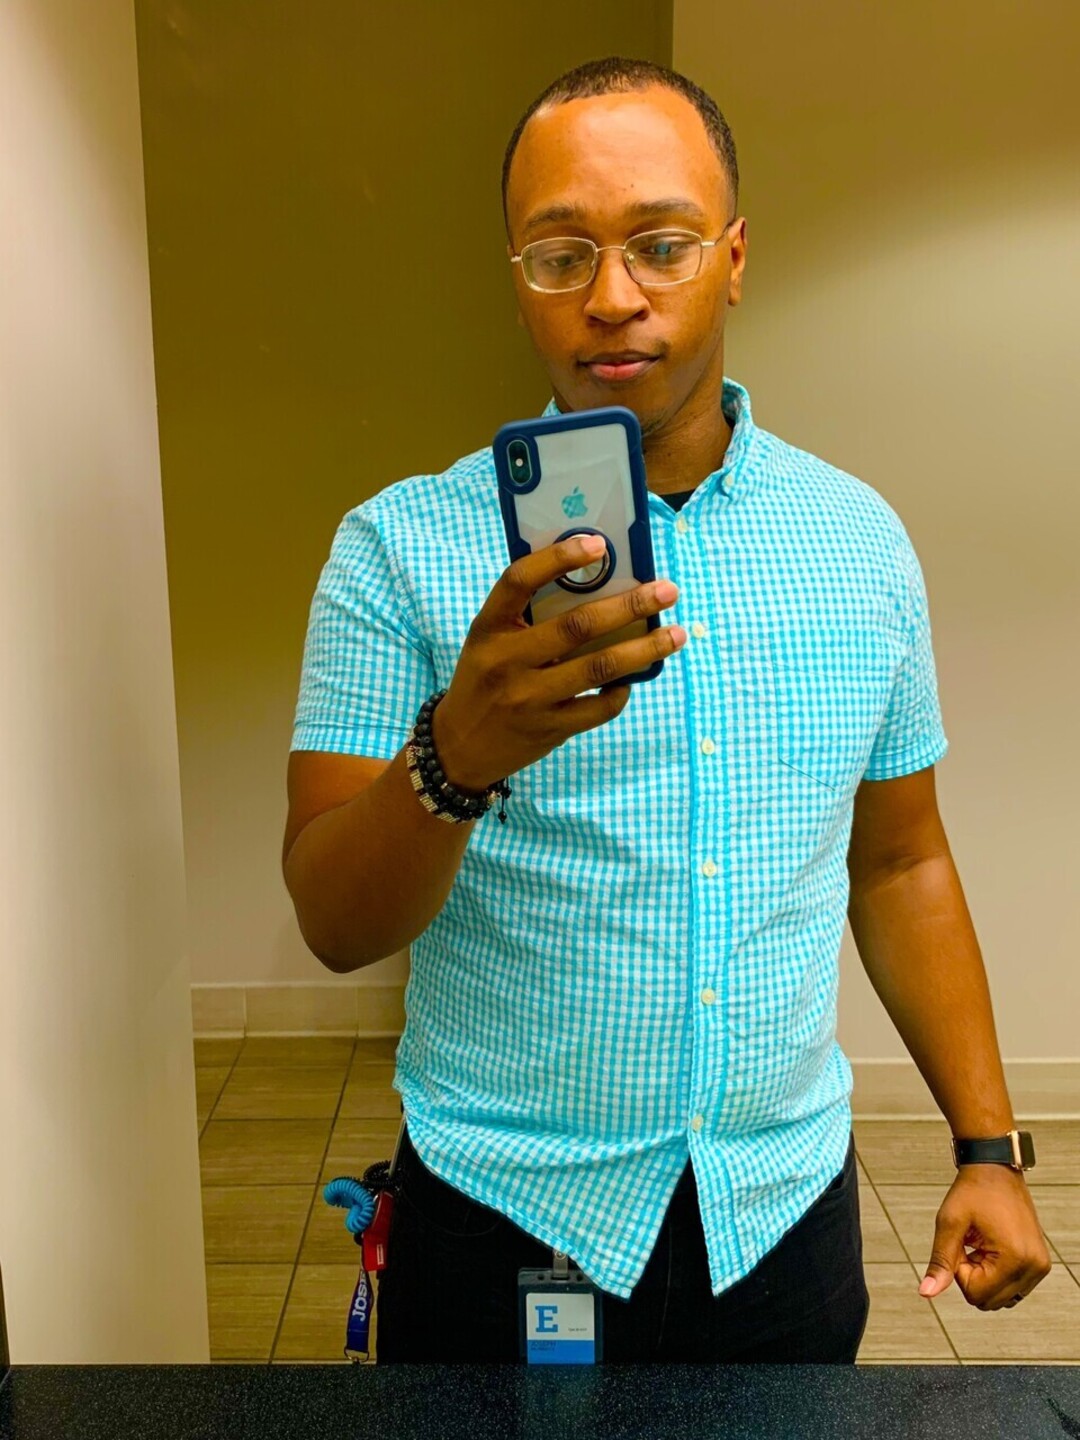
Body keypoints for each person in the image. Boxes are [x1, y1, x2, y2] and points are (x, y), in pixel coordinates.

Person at [282, 57, 1051, 1364]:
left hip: (780, 1222)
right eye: (560, 254)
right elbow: (333, 922)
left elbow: (902, 860)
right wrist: (454, 757)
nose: (612, 296)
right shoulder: (398, 550)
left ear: (733, 258)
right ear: (518, 280)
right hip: (505, 1222)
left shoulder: (859, 542)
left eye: (661, 243)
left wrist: (988, 1148)